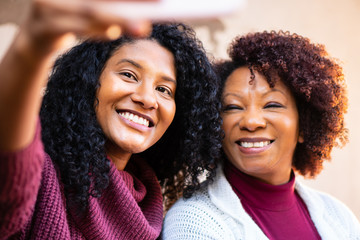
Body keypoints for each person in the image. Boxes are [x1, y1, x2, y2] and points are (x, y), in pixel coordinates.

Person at [0, 0, 222, 239]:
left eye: (164, 90)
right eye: (128, 75)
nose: (148, 99)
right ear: (88, 80)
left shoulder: (153, 210)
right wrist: (33, 46)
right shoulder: (41, 175)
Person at [162, 31, 360, 239]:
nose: (251, 121)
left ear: (304, 125)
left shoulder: (339, 217)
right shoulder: (192, 220)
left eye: (272, 105)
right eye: (233, 107)